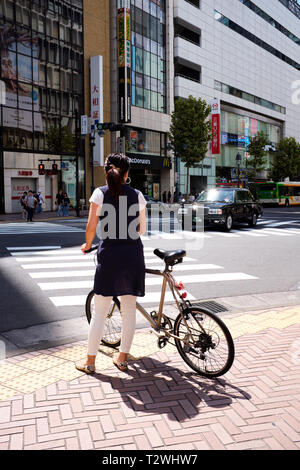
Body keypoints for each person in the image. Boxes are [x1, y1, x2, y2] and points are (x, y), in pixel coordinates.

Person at [76, 153, 147, 374]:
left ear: (107, 170)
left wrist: (87, 245)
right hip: (133, 256)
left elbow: (90, 229)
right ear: (126, 173)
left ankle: (90, 362)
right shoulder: (137, 195)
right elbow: (141, 230)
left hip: (109, 258)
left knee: (99, 312)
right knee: (129, 311)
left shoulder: (100, 193)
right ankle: (122, 358)